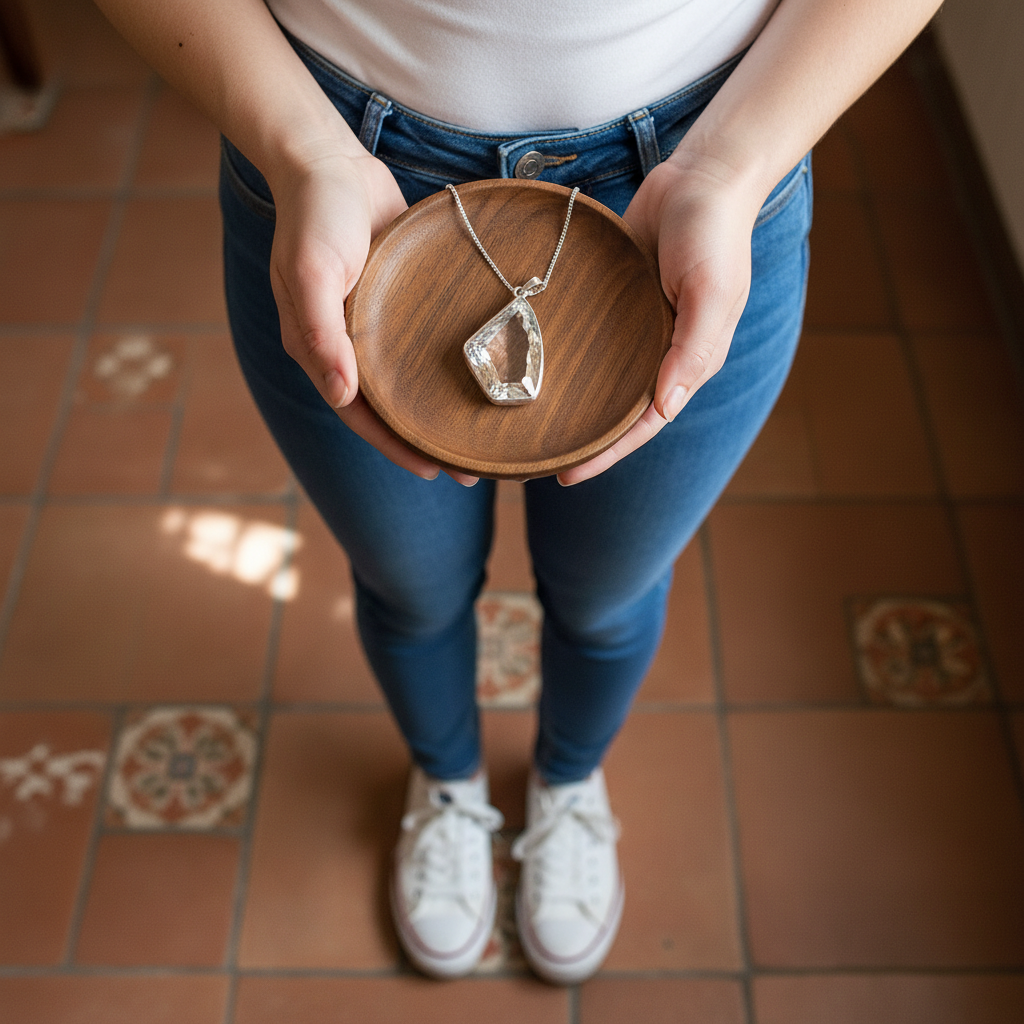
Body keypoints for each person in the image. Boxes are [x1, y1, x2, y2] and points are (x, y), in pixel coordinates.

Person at [95, 0, 943, 984]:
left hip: (704, 157)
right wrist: (300, 151)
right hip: (338, 159)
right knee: (406, 583)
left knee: (609, 590)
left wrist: (730, 165)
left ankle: (568, 781)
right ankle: (448, 781)